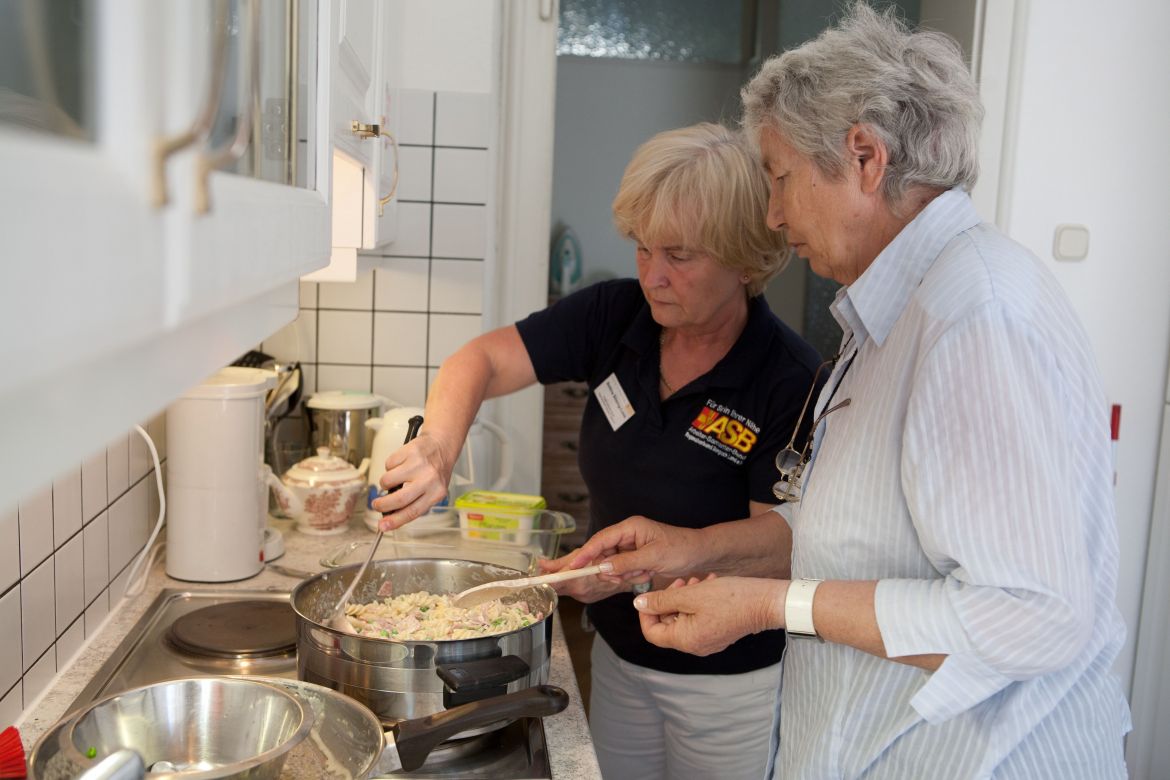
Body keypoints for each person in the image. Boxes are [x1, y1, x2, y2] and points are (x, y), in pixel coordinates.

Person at [569, 4, 1132, 778]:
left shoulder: (977, 317)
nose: (770, 214)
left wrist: (770, 605)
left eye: (780, 178)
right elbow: (848, 530)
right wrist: (693, 551)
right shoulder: (893, 312)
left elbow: (1030, 615)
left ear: (864, 158)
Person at [372, 122, 823, 779]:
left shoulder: (787, 377)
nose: (653, 276)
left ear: (748, 259)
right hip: (618, 649)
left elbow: (778, 544)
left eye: (679, 255)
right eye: (642, 249)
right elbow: (485, 360)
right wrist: (439, 444)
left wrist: (655, 560)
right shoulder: (617, 316)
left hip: (729, 683)